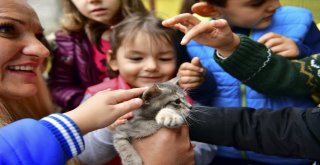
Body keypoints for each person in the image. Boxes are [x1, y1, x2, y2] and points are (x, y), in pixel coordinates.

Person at [0, 1, 194, 164]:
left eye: (164, 58)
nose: (43, 50)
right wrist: (95, 118)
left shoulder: (178, 94)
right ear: (113, 60)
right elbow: (84, 154)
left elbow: (201, 140)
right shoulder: (97, 93)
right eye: (6, 29)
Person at [164, 0, 320, 164]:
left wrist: (302, 53)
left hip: (292, 150)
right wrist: (200, 82)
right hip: (223, 149)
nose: (274, 5)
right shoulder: (193, 36)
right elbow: (199, 97)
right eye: (256, 3)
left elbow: (313, 74)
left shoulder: (299, 22)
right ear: (209, 9)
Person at [77, 13, 216, 165]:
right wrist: (109, 128)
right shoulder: (99, 97)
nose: (151, 67)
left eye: (164, 59)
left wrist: (186, 159)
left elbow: (209, 143)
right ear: (113, 60)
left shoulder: (183, 95)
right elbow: (85, 157)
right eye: (136, 58)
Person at [48, 0, 149, 111]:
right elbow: (60, 87)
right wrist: (91, 105)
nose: (94, 0)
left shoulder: (157, 32)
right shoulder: (68, 40)